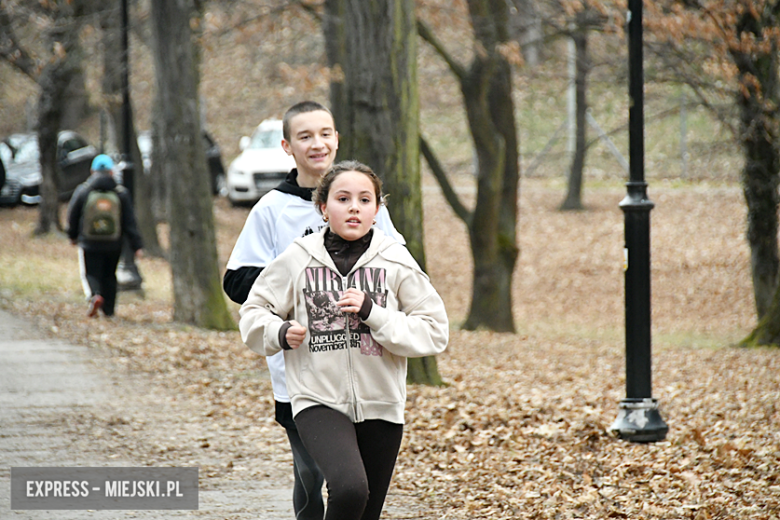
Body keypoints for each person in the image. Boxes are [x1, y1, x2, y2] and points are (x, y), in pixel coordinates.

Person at [223, 101, 404, 520]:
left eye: (325, 134)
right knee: (313, 476)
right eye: (305, 136)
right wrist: (299, 294)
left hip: (366, 370)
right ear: (287, 146)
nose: (317, 143)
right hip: (302, 372)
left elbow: (398, 274)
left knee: (356, 485)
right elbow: (237, 280)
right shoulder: (272, 208)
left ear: (337, 139)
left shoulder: (368, 204)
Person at [239, 160, 449, 520]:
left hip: (382, 402)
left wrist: (373, 312)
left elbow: (434, 330)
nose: (354, 207)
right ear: (323, 208)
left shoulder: (394, 259)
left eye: (365, 200)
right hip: (317, 398)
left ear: (377, 210)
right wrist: (278, 332)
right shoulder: (299, 257)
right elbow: (254, 310)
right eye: (343, 199)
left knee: (366, 510)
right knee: (350, 488)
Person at [66, 154, 143, 317]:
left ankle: (95, 296)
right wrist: (137, 245)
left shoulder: (84, 191)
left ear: (92, 171)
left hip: (90, 242)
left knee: (91, 273)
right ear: (112, 172)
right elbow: (129, 221)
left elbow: (73, 214)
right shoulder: (121, 193)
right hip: (113, 243)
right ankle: (109, 311)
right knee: (110, 275)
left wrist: (72, 236)